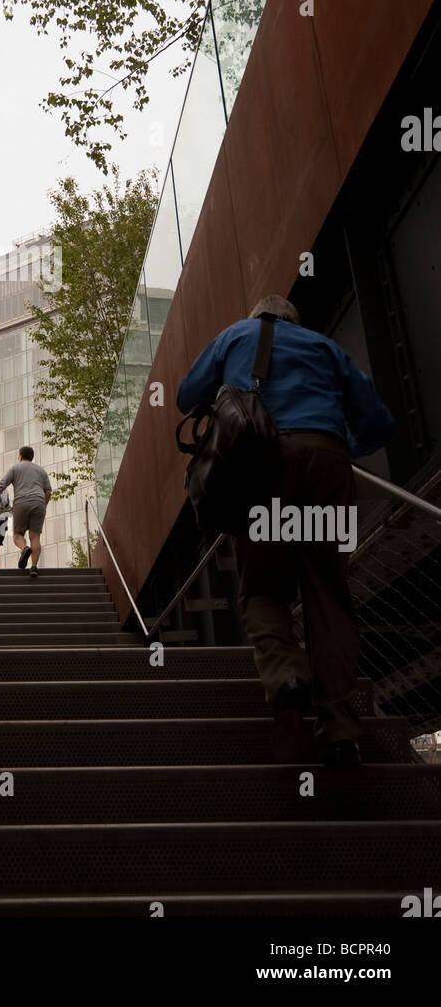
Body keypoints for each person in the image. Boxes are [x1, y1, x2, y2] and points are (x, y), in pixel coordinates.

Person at [176, 294, 395, 769]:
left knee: (264, 587)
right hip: (328, 464)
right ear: (295, 320)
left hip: (263, 467)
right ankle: (340, 729)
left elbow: (185, 396)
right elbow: (378, 421)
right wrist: (341, 442)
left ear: (257, 317)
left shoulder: (234, 335)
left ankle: (288, 683)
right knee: (329, 593)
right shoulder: (325, 347)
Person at [0, 446, 51, 578]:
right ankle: (33, 567)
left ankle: (24, 549)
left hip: (21, 502)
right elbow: (48, 492)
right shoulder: (41, 471)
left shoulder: (15, 468)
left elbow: (1, 486)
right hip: (39, 502)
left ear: (20, 456)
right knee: (35, 537)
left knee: (17, 534)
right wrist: (43, 505)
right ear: (32, 457)